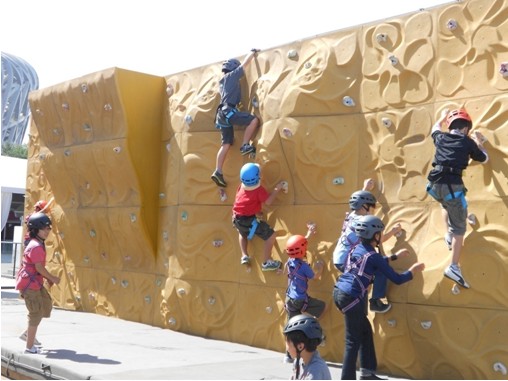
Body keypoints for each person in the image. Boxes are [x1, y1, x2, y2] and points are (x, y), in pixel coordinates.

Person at [333, 215, 425, 380]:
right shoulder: (373, 255)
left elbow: (371, 262)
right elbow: (397, 279)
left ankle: (367, 373)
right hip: (351, 297)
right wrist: (413, 271)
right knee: (352, 340)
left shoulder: (355, 248)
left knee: (365, 331)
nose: (381, 236)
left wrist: (394, 257)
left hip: (341, 292)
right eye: (380, 234)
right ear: (375, 236)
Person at [426, 108, 488, 289]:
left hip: (433, 185)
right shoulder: (467, 142)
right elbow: (484, 159)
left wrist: (443, 115)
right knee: (460, 228)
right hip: (452, 188)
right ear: (466, 128)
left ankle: (448, 234)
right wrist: (479, 143)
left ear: (450, 125)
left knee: (445, 204)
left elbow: (435, 127)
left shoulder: (441, 137)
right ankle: (453, 266)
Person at [332, 180, 402, 313]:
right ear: (365, 206)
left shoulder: (353, 215)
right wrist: (393, 231)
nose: (373, 209)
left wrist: (365, 188)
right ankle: (375, 302)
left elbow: (359, 203)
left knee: (366, 275)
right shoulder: (362, 222)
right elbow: (379, 240)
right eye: (372, 206)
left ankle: (361, 295)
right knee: (380, 269)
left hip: (340, 258)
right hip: (347, 260)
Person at [211, 49, 261, 188]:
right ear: (233, 68)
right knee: (253, 120)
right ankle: (245, 145)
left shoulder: (223, 82)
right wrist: (252, 52)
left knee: (226, 143)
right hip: (228, 111)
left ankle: (218, 171)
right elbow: (245, 64)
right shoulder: (232, 76)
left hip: (222, 115)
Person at [16, 212, 60, 354]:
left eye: (49, 228)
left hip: (36, 282)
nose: (48, 231)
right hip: (30, 284)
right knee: (35, 313)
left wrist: (47, 278)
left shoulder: (38, 243)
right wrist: (52, 278)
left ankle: (28, 333)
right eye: (45, 228)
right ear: (36, 229)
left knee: (46, 307)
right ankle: (29, 347)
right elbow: (39, 268)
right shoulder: (35, 246)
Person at [283, 224, 326, 364]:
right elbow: (315, 277)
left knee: (291, 326)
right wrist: (320, 267)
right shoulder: (304, 267)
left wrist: (308, 234)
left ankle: (288, 355)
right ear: (302, 250)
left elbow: (298, 246)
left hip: (289, 299)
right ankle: (316, 331)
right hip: (300, 300)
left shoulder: (289, 261)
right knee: (321, 306)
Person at [232, 163, 285, 271]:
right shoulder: (258, 190)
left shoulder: (241, 188)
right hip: (248, 220)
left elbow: (245, 203)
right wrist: (277, 189)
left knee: (242, 233)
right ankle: (266, 261)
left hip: (236, 217)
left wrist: (256, 212)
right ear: (258, 177)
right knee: (271, 235)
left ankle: (244, 255)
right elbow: (268, 202)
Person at [283, 314, 332, 380]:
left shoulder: (315, 371)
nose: (287, 348)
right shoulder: (299, 361)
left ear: (300, 346)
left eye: (288, 343)